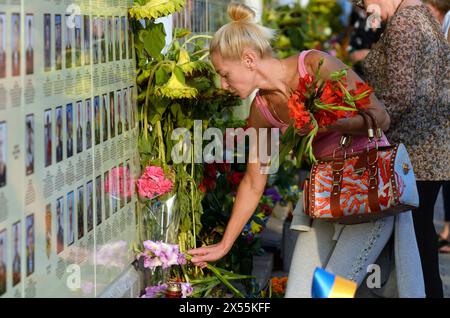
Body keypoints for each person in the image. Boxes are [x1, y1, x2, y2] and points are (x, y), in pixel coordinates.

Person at [189, 3, 424, 298]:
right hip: (328, 197)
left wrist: (326, 126)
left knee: (329, 293)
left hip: (369, 193)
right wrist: (224, 244)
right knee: (298, 292)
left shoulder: (314, 65)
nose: (223, 84)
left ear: (249, 59)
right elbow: (253, 180)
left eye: (225, 74)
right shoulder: (260, 110)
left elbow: (381, 117)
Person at [362, 0, 450, 298]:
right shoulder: (422, 16)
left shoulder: (405, 23)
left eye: (361, 2)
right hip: (429, 151)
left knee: (415, 244)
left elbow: (399, 95)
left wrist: (362, 124)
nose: (363, 9)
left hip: (411, 153)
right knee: (420, 240)